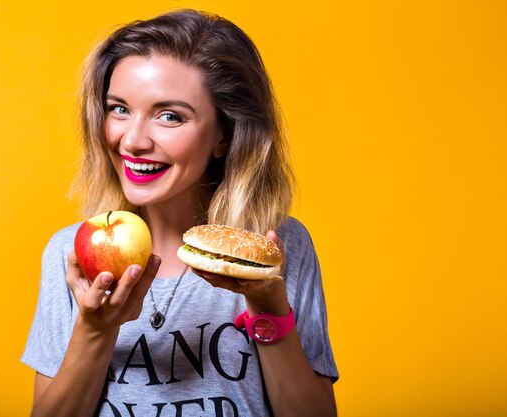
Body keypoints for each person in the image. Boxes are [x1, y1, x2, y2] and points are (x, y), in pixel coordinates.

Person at [21, 9, 338, 417]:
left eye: (170, 116)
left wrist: (268, 306)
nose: (132, 140)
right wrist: (95, 329)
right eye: (119, 108)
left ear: (224, 134)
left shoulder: (274, 250)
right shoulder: (72, 255)